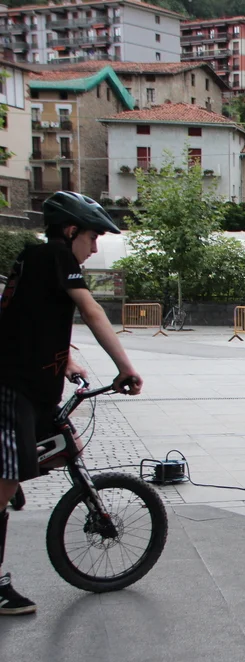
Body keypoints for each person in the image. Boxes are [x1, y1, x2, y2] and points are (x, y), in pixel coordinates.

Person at [0, 191, 143, 616]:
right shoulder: (57, 257)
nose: (95, 247)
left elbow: (26, 320)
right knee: (4, 484)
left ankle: (12, 481)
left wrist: (65, 361)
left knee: (62, 444)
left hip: (28, 388)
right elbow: (92, 311)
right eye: (93, 237)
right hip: (12, 390)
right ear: (70, 230)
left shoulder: (34, 260)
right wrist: (125, 368)